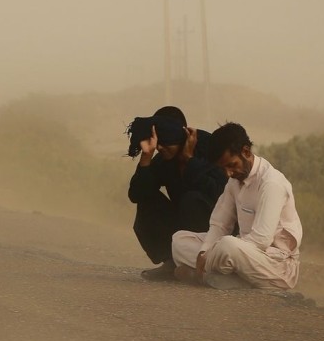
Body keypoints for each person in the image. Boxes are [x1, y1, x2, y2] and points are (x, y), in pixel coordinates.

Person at [171, 122, 303, 289]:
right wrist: (203, 252)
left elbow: (261, 240)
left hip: (276, 265)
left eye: (232, 165)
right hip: (241, 254)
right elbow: (220, 224)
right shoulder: (234, 182)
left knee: (228, 245)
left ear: (246, 152)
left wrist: (214, 253)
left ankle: (207, 276)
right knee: (179, 241)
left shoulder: (271, 183)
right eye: (223, 168)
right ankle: (222, 279)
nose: (228, 173)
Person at [126, 106, 228, 282]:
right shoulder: (164, 160)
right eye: (158, 143)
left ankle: (198, 264)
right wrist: (146, 157)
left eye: (166, 143)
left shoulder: (208, 150)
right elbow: (136, 195)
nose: (161, 148)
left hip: (217, 227)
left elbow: (220, 192)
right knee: (147, 199)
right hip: (183, 225)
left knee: (191, 200)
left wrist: (190, 161)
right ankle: (171, 262)